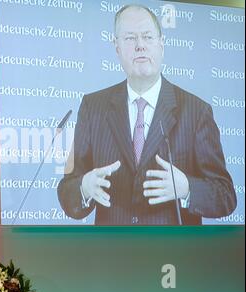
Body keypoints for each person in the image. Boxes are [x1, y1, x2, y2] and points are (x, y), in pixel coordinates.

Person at [57, 4, 236, 225]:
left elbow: (226, 196)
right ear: (117, 48)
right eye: (130, 38)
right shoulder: (93, 107)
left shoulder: (196, 111)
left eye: (147, 37)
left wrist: (187, 188)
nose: (140, 45)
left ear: (161, 45)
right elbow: (67, 188)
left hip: (173, 255)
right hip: (112, 254)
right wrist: (83, 188)